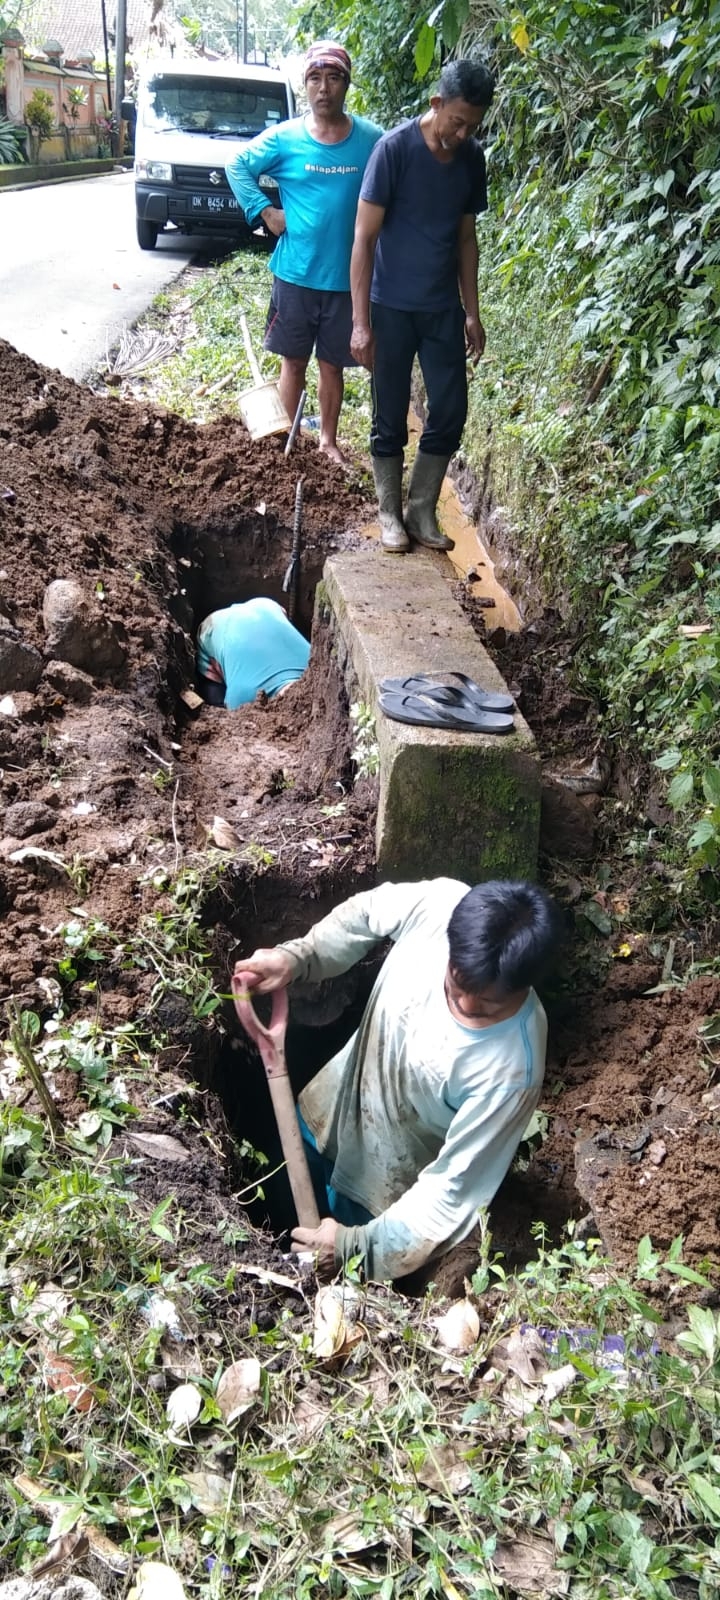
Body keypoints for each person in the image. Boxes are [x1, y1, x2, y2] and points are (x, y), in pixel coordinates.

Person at [234, 876, 559, 1282]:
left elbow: (452, 1191)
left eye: (488, 1004)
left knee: (333, 1281)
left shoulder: (512, 1069)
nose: (464, 1005)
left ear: (525, 987)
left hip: (380, 1197)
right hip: (321, 1118)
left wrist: (358, 1247)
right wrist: (300, 956)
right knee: (276, 1209)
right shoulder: (440, 906)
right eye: (456, 984)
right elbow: (366, 914)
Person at [350, 59, 496, 553]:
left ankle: (420, 509)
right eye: (457, 120)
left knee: (451, 409)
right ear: (436, 104)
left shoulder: (471, 159)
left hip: (441, 309)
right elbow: (364, 238)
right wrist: (360, 323)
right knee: (389, 414)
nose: (462, 131)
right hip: (390, 306)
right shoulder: (393, 151)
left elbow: (467, 239)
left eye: (473, 124)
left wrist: (471, 312)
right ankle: (389, 512)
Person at [226, 42, 383, 465]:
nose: (324, 88)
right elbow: (237, 165)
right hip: (295, 274)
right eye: (315, 78)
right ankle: (286, 443)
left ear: (346, 84)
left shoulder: (371, 140)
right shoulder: (285, 138)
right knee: (293, 361)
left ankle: (327, 441)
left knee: (333, 365)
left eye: (333, 78)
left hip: (347, 279)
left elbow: (399, 179)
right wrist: (265, 213)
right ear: (304, 85)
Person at [196, 597, 309, 709]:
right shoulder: (242, 699)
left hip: (267, 606)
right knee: (214, 698)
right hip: (213, 626)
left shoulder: (315, 664)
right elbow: (231, 716)